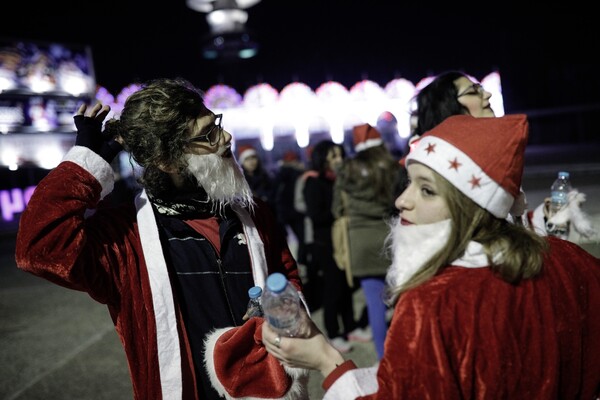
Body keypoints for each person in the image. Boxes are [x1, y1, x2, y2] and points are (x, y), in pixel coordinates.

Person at [262, 114, 600, 399]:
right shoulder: (573, 260)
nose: (401, 201)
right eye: (409, 182)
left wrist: (326, 359)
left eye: (426, 189)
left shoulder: (434, 302)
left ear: (470, 203)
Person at [15, 77, 308, 400]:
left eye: (217, 124)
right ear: (167, 162)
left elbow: (286, 274)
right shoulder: (125, 237)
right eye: (207, 135)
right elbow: (38, 247)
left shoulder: (253, 213)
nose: (225, 138)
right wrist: (84, 162)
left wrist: (282, 309)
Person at [332, 123, 405, 359]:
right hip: (390, 237)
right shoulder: (392, 167)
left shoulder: (346, 169)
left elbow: (337, 207)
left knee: (374, 302)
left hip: (359, 241)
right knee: (403, 296)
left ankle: (384, 358)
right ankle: (409, 345)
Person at [302, 140, 361, 353]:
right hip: (325, 243)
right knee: (332, 288)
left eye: (340, 155)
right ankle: (334, 333)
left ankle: (350, 326)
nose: (339, 160)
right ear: (323, 159)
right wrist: (339, 212)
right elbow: (315, 215)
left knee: (346, 285)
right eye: (334, 156)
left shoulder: (340, 180)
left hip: (343, 240)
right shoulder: (314, 182)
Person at [272, 150, 308, 264]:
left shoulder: (280, 175)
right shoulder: (298, 174)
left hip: (285, 214)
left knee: (293, 241)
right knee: (302, 239)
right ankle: (302, 263)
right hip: (297, 213)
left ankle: (297, 263)